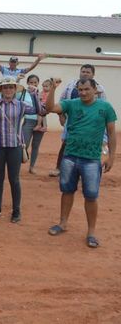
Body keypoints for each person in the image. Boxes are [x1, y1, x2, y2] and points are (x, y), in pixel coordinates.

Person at [45, 78, 116, 248]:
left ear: (94, 89)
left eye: (86, 89)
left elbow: (112, 133)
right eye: (80, 89)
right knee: (67, 191)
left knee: (91, 196)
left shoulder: (105, 108)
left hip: (92, 159)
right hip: (70, 156)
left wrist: (112, 156)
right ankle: (62, 223)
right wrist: (53, 89)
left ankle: (91, 232)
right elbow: (49, 109)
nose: (83, 93)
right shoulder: (71, 104)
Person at [0, 77, 41, 223]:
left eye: (11, 87)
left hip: (14, 147)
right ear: (1, 90)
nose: (8, 90)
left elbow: (40, 111)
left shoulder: (21, 105)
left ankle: (16, 210)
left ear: (15, 89)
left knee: (14, 179)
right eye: (5, 87)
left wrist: (34, 95)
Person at [49, 64, 107, 177]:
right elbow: (62, 100)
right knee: (66, 143)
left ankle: (87, 172)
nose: (85, 73)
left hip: (91, 122)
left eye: (88, 72)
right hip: (72, 120)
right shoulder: (71, 85)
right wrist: (61, 115)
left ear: (93, 74)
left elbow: (103, 107)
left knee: (91, 144)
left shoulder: (99, 89)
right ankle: (59, 168)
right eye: (83, 71)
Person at [19, 74, 45, 174]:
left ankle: (32, 167)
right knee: (24, 144)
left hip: (40, 121)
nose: (33, 84)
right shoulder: (23, 93)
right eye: (31, 82)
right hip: (28, 120)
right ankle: (18, 165)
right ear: (27, 83)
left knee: (36, 145)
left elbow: (44, 109)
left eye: (35, 82)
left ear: (38, 83)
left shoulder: (42, 93)